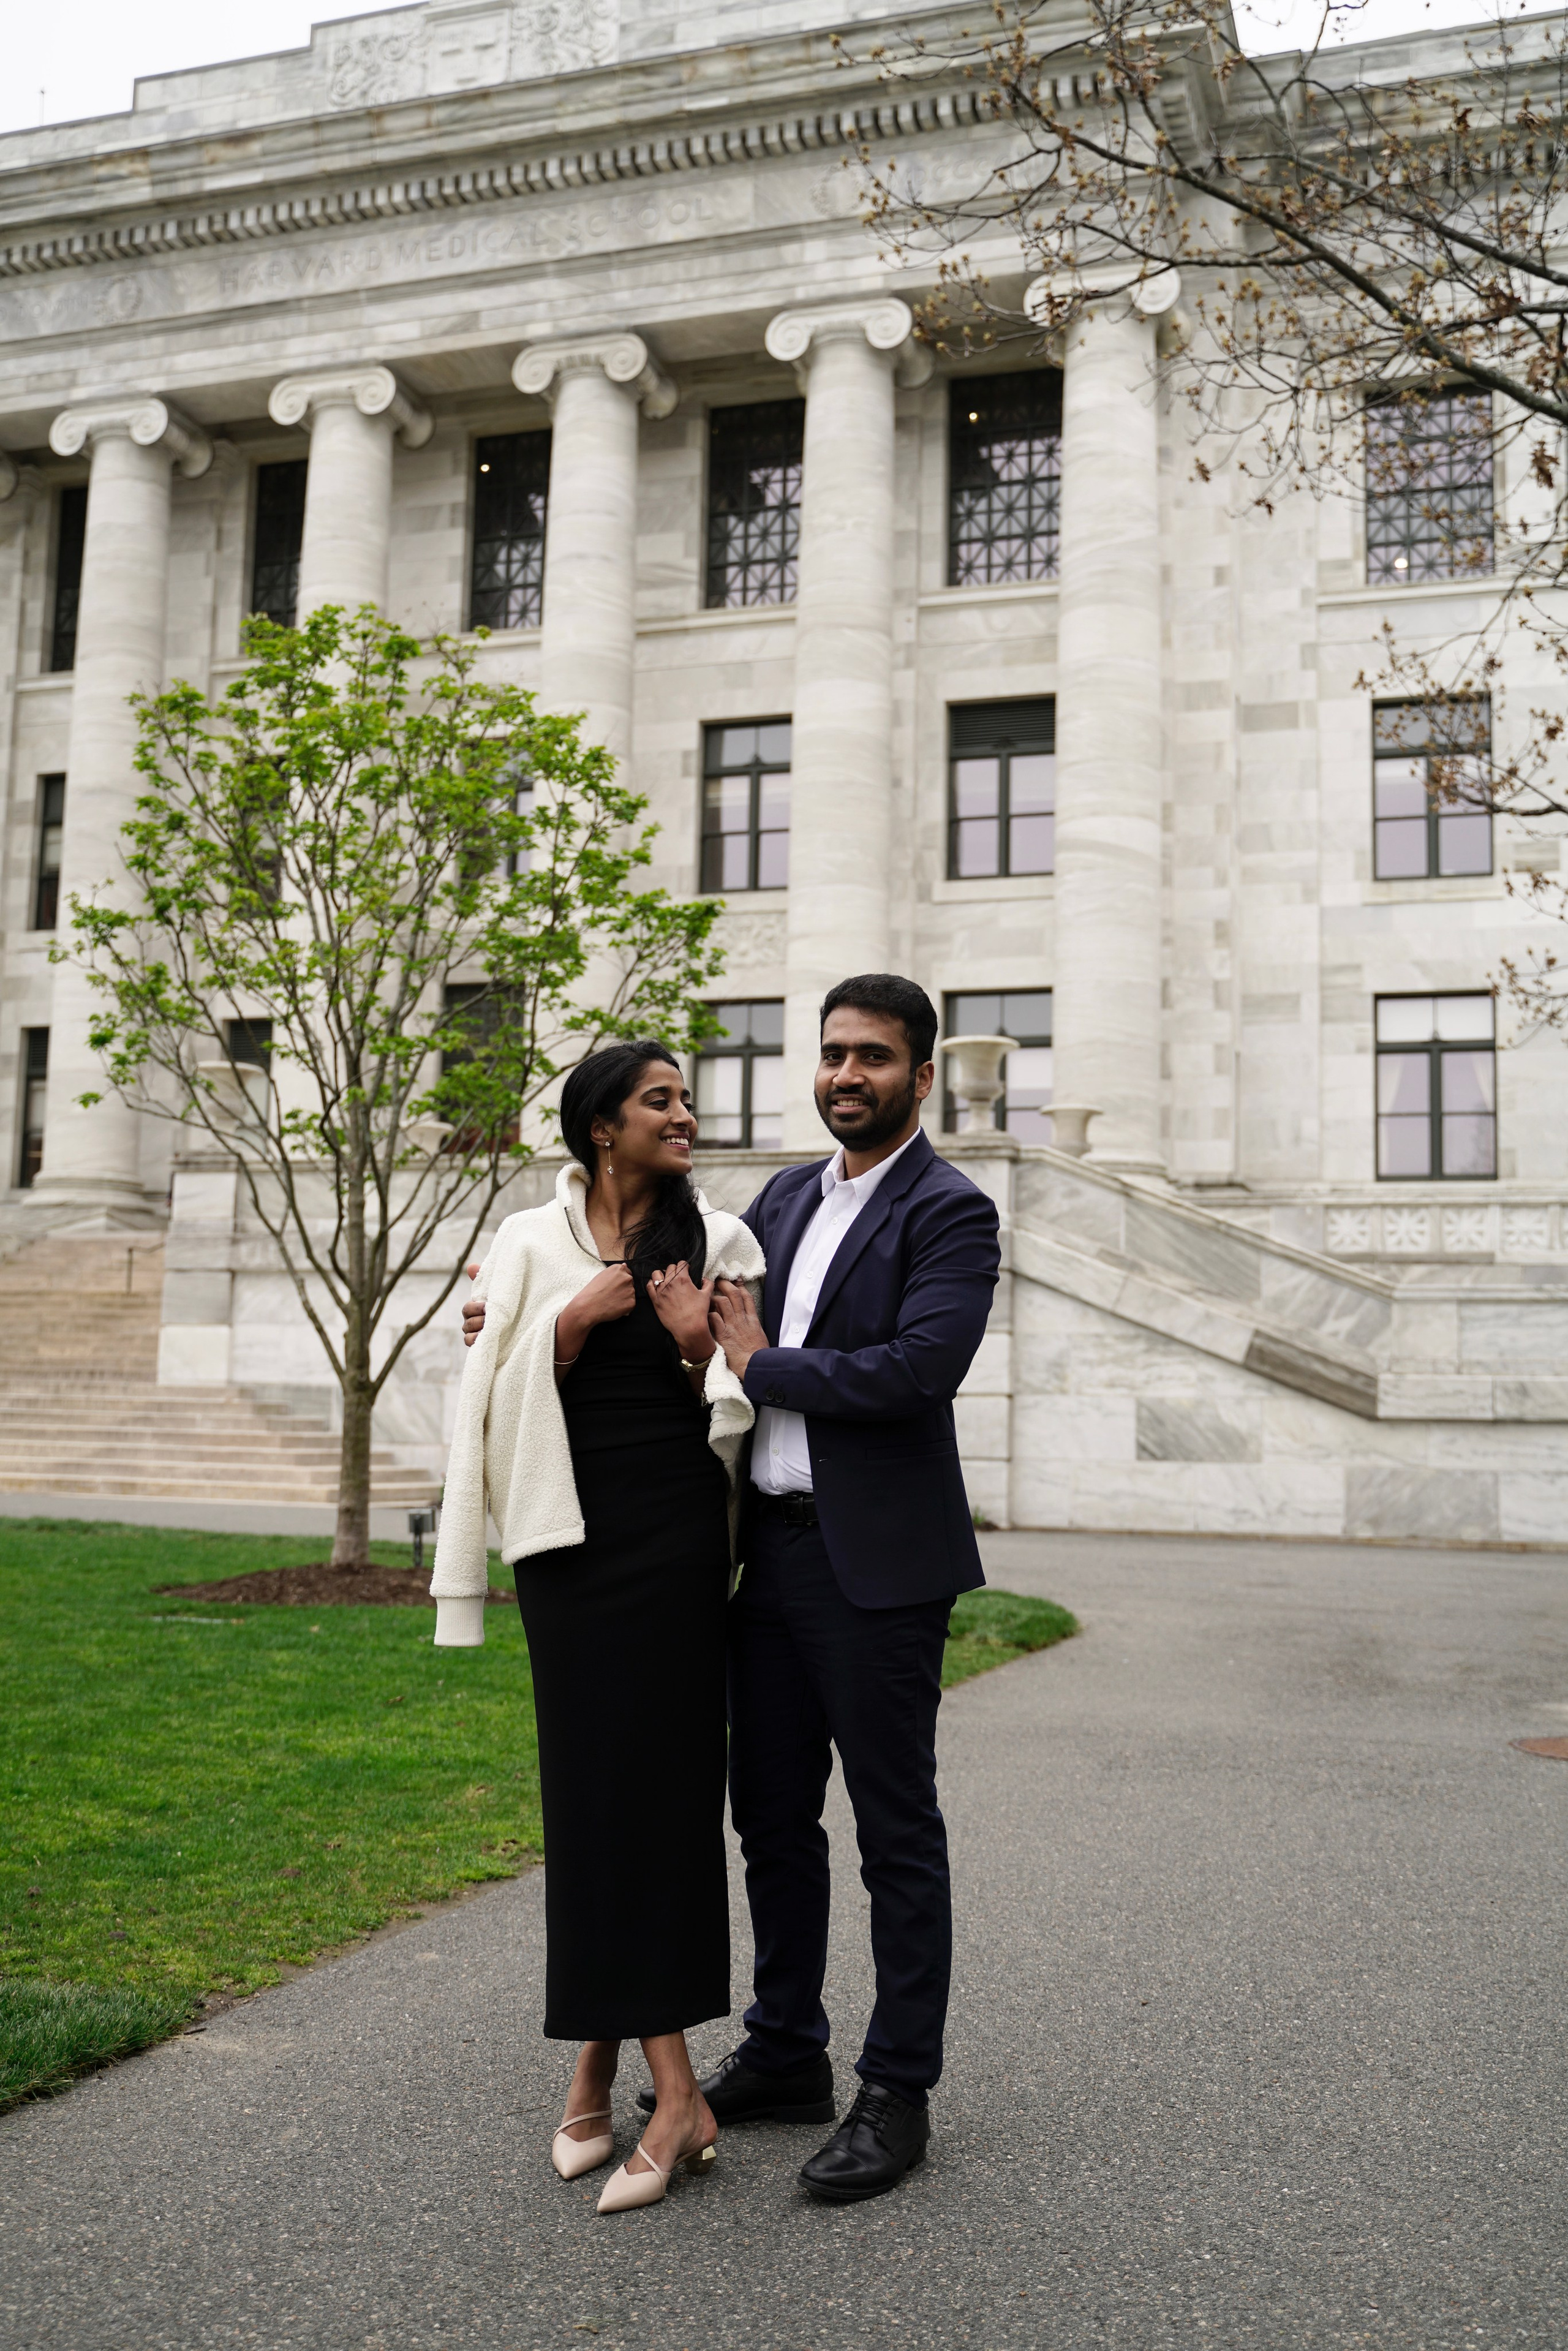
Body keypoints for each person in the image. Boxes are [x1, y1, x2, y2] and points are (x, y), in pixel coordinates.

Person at [466, 976, 1000, 2204]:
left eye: (871, 1055)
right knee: (768, 1819)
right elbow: (675, 1329)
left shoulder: (950, 1211)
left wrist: (764, 1359)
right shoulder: (777, 1201)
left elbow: (921, 1368)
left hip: (877, 1569)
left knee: (894, 1830)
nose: (843, 1074)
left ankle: (896, 2085)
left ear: (920, 1076)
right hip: (762, 1555)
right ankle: (785, 2047)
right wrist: (513, 1316)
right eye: (830, 1054)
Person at [432, 1041, 765, 2215]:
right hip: (565, 1547)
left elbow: (742, 1403)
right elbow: (477, 1385)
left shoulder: (718, 1240)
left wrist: (689, 1344)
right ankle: (611, 2062)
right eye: (659, 1100)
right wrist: (564, 1331)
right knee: (586, 1797)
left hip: (672, 1542)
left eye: (684, 1098)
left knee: (663, 1798)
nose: (685, 1114)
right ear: (600, 1129)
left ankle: (657, 2088)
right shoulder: (527, 1243)